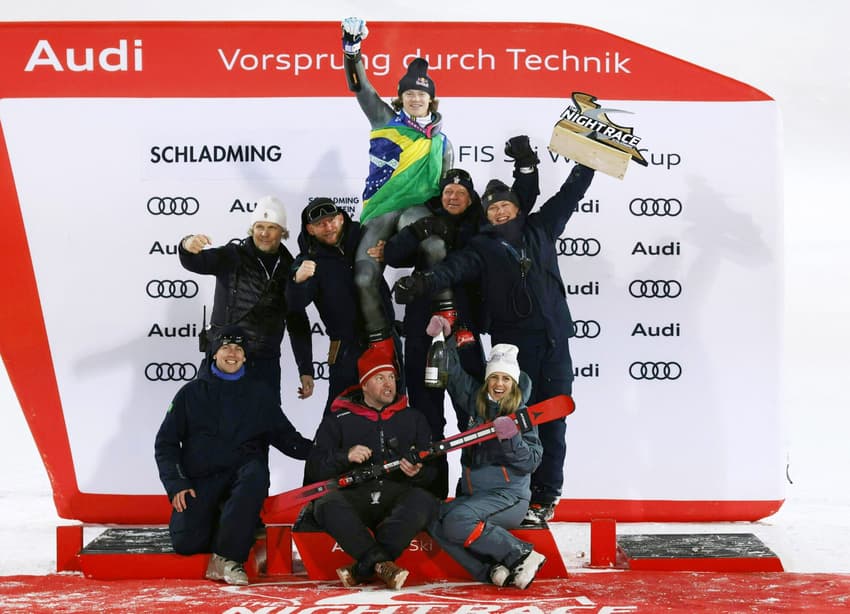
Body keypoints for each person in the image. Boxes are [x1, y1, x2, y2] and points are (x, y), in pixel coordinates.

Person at [393, 150, 596, 524]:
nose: (499, 212)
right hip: (516, 348)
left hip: (555, 340)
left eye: (505, 206)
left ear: (517, 208)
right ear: (484, 215)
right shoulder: (482, 247)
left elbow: (570, 195)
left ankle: (545, 497)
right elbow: (452, 269)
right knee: (516, 420)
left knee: (554, 418)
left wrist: (588, 162)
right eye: (492, 209)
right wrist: (421, 283)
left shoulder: (541, 227)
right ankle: (508, 496)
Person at [382, 137, 541, 499]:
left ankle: (476, 491)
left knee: (475, 412)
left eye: (461, 192)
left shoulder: (482, 230)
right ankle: (430, 496)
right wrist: (419, 231)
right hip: (423, 332)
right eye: (448, 191)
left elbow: (520, 207)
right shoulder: (424, 217)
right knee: (425, 417)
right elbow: (392, 255)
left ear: (471, 199)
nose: (453, 197)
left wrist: (527, 168)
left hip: (464, 330)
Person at [154, 326, 313, 586]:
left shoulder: (260, 393)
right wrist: (176, 483)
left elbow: (289, 440)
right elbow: (166, 443)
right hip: (200, 481)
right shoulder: (190, 393)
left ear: (245, 357)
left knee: (255, 472)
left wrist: (331, 452)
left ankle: (227, 558)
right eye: (226, 347)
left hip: (241, 480)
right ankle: (228, 523)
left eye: (239, 349)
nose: (232, 353)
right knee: (187, 543)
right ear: (214, 354)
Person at [340, 16, 453, 364]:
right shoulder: (385, 120)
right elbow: (362, 88)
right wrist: (352, 49)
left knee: (434, 244)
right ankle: (380, 342)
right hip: (380, 210)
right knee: (362, 277)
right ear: (401, 98)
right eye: (409, 93)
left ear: (431, 100)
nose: (415, 98)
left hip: (415, 211)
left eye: (421, 93)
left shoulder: (443, 143)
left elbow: (445, 194)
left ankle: (447, 313)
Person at [304, 343, 439, 590]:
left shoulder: (413, 418)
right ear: (364, 384)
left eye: (391, 377)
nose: (389, 384)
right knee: (325, 504)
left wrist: (419, 473)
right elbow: (314, 469)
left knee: (425, 501)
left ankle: (364, 567)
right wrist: (345, 456)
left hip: (396, 498)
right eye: (380, 378)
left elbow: (434, 472)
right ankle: (380, 564)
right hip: (354, 498)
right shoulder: (337, 421)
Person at [425, 320, 546, 588]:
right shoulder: (476, 401)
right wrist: (443, 341)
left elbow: (532, 462)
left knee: (458, 520)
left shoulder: (522, 415)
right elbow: (454, 375)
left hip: (508, 498)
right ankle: (490, 571)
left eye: (505, 379)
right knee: (432, 519)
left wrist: (511, 437)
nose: (499, 384)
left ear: (513, 383)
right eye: (494, 378)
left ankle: (522, 553)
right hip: (474, 496)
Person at [178, 195, 314, 404]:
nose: (264, 234)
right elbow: (196, 262)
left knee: (261, 429)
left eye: (272, 227)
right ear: (252, 229)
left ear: (283, 231)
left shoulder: (291, 268)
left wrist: (306, 369)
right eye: (259, 226)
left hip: (265, 364)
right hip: (224, 360)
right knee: (209, 424)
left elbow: (297, 322)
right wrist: (188, 244)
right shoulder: (232, 255)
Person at [286, 197, 399, 415]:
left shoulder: (366, 236)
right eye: (320, 224)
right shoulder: (307, 260)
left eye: (331, 220)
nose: (328, 227)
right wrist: (297, 282)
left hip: (386, 338)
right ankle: (327, 451)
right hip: (346, 349)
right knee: (338, 416)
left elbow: (405, 249)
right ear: (310, 229)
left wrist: (391, 250)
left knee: (392, 411)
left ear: (341, 218)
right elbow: (294, 309)